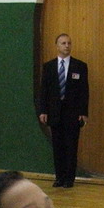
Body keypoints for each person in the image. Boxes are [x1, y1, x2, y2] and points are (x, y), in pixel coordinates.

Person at [38, 33, 89, 188]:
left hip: (72, 114)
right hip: (54, 113)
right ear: (57, 46)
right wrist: (43, 111)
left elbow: (84, 91)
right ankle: (59, 177)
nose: (67, 46)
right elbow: (44, 91)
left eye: (69, 43)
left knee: (71, 147)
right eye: (63, 43)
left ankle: (69, 179)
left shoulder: (79, 66)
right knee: (58, 147)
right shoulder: (49, 67)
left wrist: (83, 112)